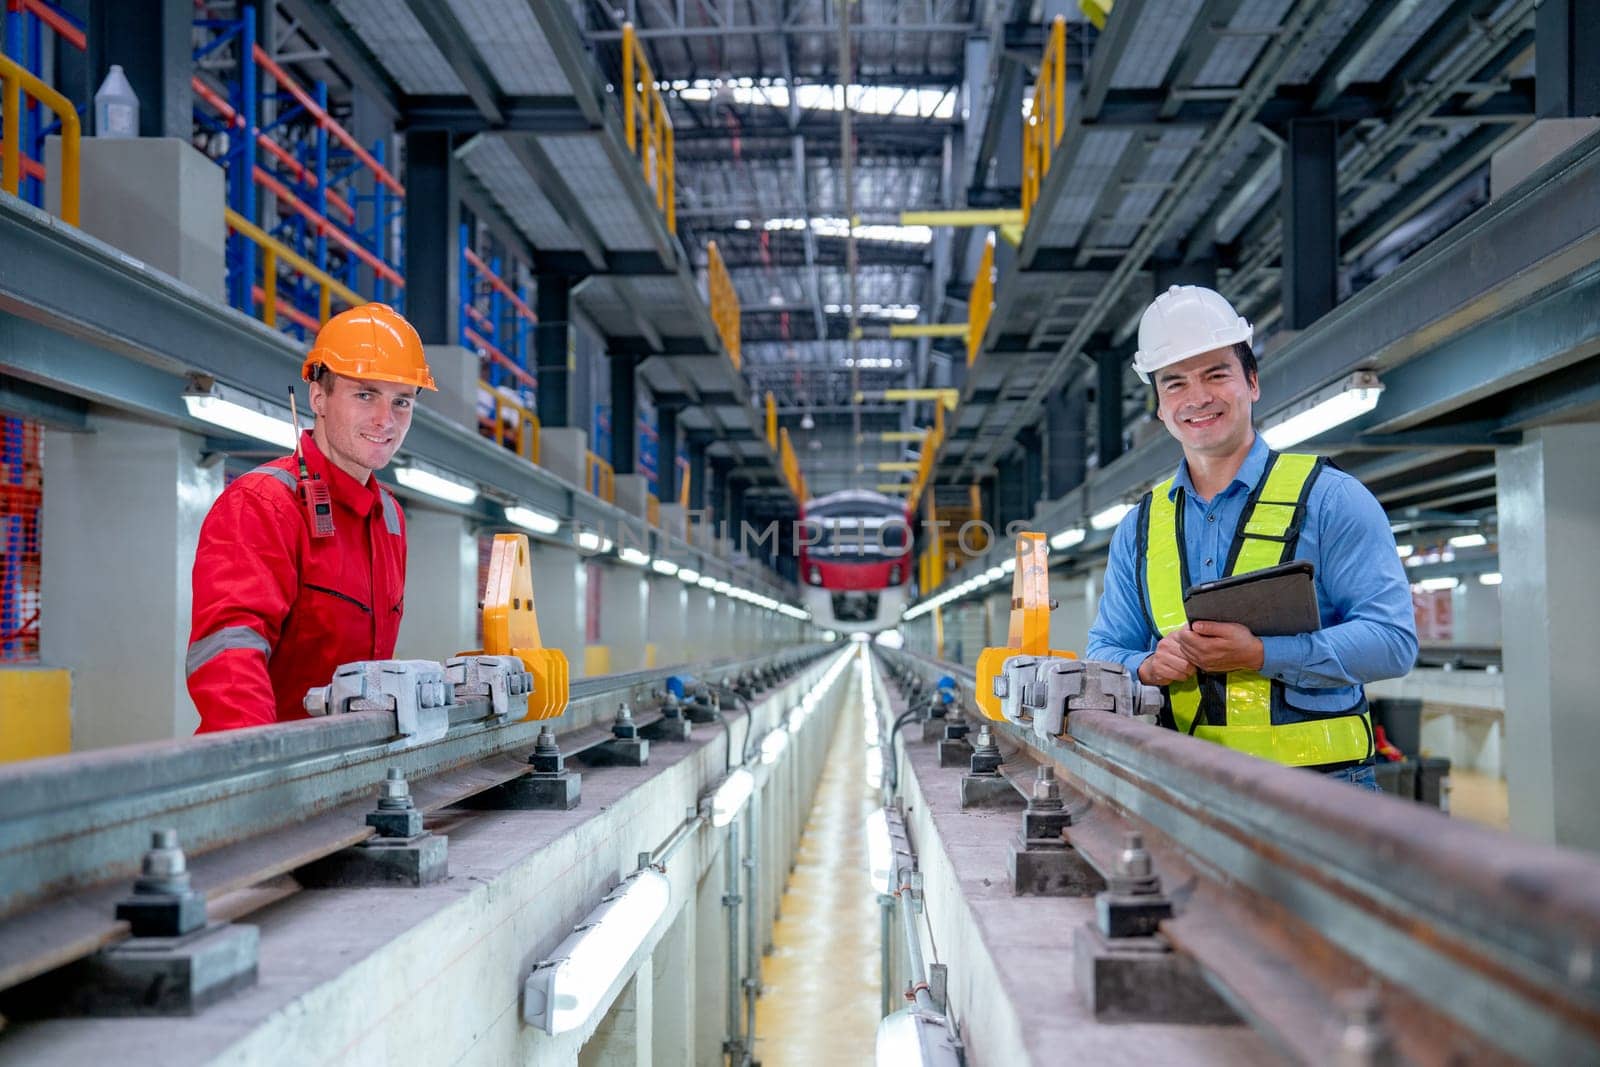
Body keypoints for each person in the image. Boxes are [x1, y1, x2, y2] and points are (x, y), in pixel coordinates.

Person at [1085, 285, 1417, 789]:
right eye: (1174, 384)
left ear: (1253, 383)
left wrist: (1262, 654)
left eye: (1216, 374)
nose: (1196, 398)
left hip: (1323, 796)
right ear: (1158, 407)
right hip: (1183, 790)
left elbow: (1392, 643)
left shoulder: (1331, 500)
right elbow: (1105, 649)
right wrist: (1147, 666)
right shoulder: (1139, 527)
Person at [186, 303, 436, 732]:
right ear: (318, 397)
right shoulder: (263, 503)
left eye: (402, 402)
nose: (385, 420)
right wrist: (262, 767)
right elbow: (230, 653)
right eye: (365, 394)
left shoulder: (389, 516)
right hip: (275, 768)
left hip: (351, 770)